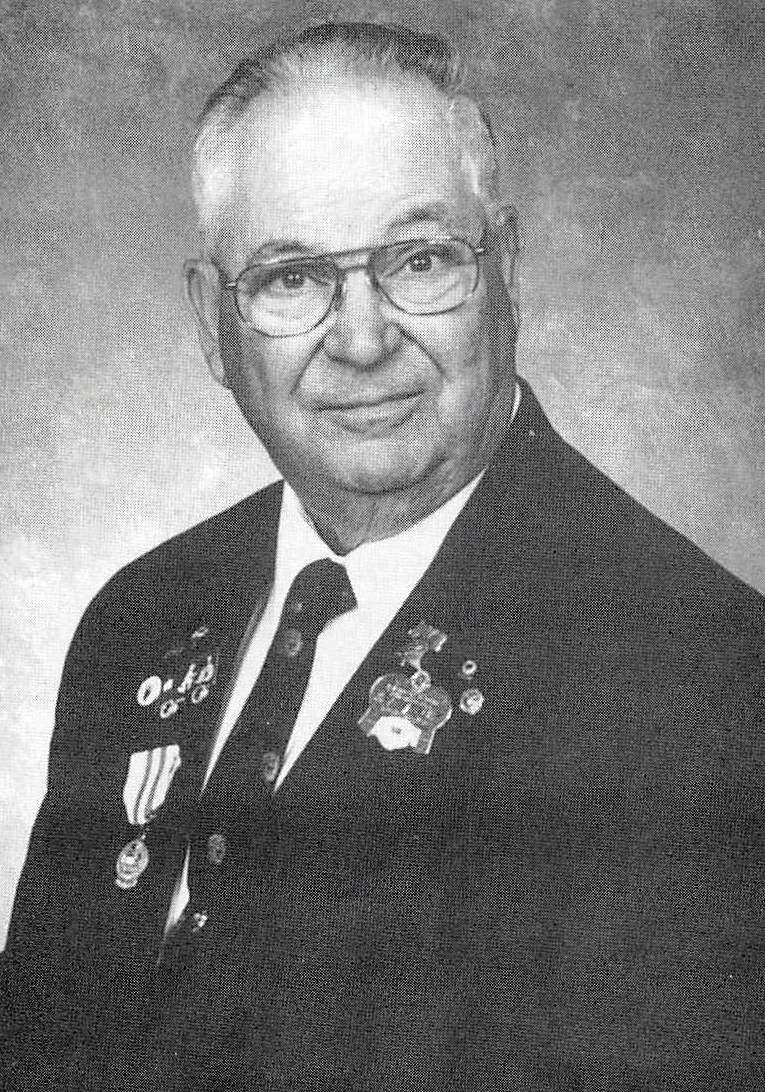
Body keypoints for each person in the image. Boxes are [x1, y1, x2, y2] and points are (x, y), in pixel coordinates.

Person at [2, 20, 763, 1092]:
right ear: (214, 323)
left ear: (506, 270)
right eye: (291, 276)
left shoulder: (696, 677)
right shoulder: (143, 617)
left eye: (419, 261)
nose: (361, 341)